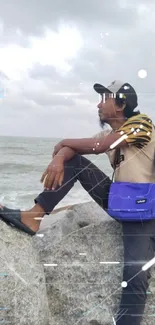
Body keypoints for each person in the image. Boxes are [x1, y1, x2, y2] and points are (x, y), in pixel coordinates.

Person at [0, 80, 155, 325]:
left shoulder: (142, 124)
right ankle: (34, 217)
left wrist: (63, 143)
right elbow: (78, 150)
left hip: (146, 211)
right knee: (75, 163)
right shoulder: (108, 133)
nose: (98, 105)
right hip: (122, 201)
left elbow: (100, 147)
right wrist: (61, 155)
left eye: (104, 99)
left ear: (121, 104)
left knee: (134, 276)